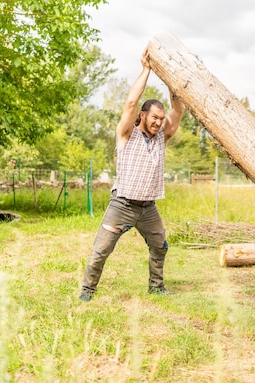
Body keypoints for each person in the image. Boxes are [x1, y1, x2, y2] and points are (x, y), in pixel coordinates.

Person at [79, 49, 185, 301]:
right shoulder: (127, 134)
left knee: (160, 247)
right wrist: (147, 69)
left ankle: (156, 287)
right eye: (154, 117)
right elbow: (129, 103)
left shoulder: (162, 138)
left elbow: (178, 110)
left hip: (148, 208)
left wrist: (170, 79)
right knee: (101, 251)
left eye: (161, 118)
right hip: (122, 204)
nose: (159, 122)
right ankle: (87, 292)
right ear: (143, 115)